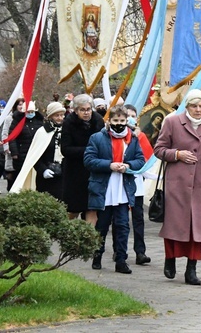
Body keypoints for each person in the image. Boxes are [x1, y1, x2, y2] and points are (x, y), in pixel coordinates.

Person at [154, 89, 201, 286]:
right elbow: (159, 149)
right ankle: (170, 259)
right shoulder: (172, 122)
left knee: (197, 227)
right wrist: (177, 155)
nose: (198, 110)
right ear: (187, 107)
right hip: (177, 184)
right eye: (194, 106)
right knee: (175, 224)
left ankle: (191, 269)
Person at [85, 104, 145, 274]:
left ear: (127, 121)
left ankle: (121, 260)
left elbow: (140, 160)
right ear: (109, 121)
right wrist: (109, 165)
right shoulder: (97, 138)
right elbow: (89, 160)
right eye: (116, 120)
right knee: (102, 226)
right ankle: (97, 254)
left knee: (123, 226)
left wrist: (128, 166)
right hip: (104, 188)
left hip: (123, 189)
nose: (119, 123)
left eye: (122, 121)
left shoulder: (132, 139)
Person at [61, 94, 105, 221]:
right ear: (76, 111)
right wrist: (88, 151)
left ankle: (89, 237)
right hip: (75, 170)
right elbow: (66, 149)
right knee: (73, 209)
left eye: (88, 109)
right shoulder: (69, 122)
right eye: (82, 110)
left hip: (93, 170)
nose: (86, 113)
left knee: (91, 208)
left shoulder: (98, 120)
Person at [125, 104, 154, 265]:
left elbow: (147, 157)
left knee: (138, 218)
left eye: (132, 115)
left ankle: (140, 252)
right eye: (126, 115)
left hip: (136, 182)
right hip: (120, 182)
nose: (129, 118)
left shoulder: (141, 136)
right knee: (120, 219)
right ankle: (119, 250)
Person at [8, 101, 45, 188]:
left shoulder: (39, 121)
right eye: (28, 112)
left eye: (32, 112)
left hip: (36, 152)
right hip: (22, 153)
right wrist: (14, 152)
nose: (30, 114)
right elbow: (12, 136)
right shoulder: (17, 121)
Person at [1, 97, 25, 190]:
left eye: (23, 104)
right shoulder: (9, 118)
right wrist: (6, 146)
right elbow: (5, 133)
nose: (21, 106)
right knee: (12, 171)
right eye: (19, 104)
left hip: (22, 147)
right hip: (12, 147)